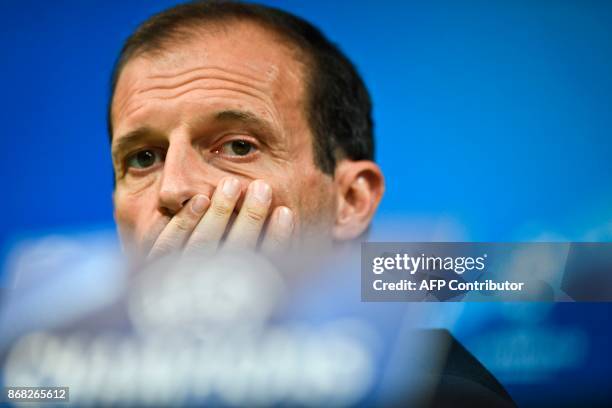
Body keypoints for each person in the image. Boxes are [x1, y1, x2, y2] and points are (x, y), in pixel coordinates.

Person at [107, 1, 516, 406]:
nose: (172, 188)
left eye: (237, 146)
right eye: (143, 158)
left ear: (351, 201)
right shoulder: (61, 378)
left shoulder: (431, 394)